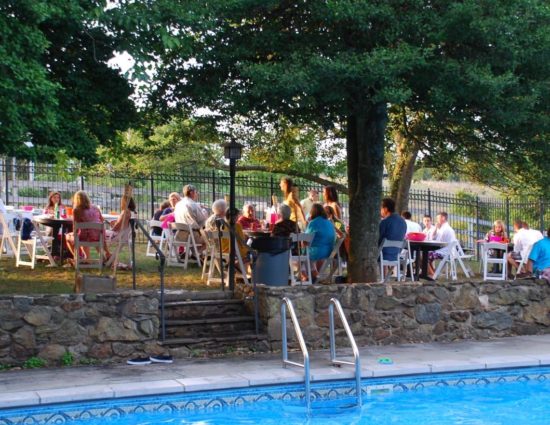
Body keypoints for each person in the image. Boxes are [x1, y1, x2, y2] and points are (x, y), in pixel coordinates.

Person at [65, 190, 110, 263]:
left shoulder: (77, 210)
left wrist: (74, 234)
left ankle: (78, 258)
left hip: (85, 237)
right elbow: (102, 220)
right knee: (86, 232)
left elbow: (75, 226)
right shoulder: (95, 207)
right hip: (98, 236)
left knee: (68, 236)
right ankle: (89, 258)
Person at [305, 203, 336, 280]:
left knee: (302, 254)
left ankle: (309, 275)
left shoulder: (313, 223)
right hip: (329, 251)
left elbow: (306, 239)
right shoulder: (329, 222)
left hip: (317, 252)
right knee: (307, 251)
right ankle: (314, 275)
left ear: (313, 212)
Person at [174, 184, 208, 250]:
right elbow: (202, 222)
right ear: (192, 192)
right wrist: (205, 215)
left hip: (179, 236)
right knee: (212, 237)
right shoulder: (193, 204)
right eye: (196, 192)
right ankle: (198, 254)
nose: (197, 194)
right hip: (192, 237)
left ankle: (196, 255)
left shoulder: (178, 204)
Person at [427, 211, 457, 276]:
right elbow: (434, 238)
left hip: (446, 253)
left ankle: (433, 275)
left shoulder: (445, 229)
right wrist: (436, 228)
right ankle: (433, 273)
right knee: (426, 256)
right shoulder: (444, 228)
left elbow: (436, 240)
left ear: (443, 218)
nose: (437, 220)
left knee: (425, 256)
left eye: (438, 218)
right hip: (447, 252)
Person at [379, 198, 407, 262]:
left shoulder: (385, 222)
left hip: (382, 255)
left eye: (381, 208)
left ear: (385, 209)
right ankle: (385, 272)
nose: (380, 211)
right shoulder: (403, 222)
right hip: (395, 255)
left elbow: (379, 239)